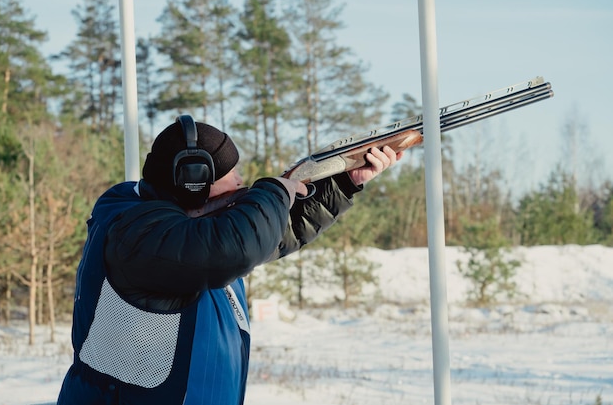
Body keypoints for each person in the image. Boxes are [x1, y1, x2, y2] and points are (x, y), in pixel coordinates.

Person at [57, 115, 404, 405]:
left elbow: (272, 233)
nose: (240, 180)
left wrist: (344, 181)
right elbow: (238, 244)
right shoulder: (137, 236)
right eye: (229, 173)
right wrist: (275, 189)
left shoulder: (191, 228)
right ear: (192, 180)